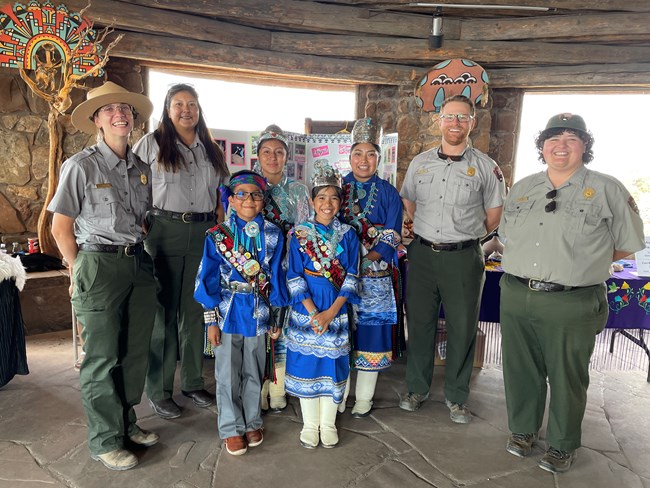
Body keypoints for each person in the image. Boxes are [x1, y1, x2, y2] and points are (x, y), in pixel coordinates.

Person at [498, 113, 644, 473]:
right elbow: (505, 234)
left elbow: (628, 244)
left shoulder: (607, 188)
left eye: (571, 139)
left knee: (566, 375)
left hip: (572, 300)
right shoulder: (523, 187)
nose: (560, 146)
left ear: (584, 146)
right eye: (553, 139)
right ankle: (522, 431)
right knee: (520, 369)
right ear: (542, 146)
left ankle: (562, 445)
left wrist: (585, 264)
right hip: (516, 293)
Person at [48, 81, 158, 470]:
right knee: (101, 356)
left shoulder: (142, 168)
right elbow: (61, 227)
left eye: (125, 109)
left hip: (137, 263)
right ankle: (104, 439)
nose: (120, 114)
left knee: (132, 354)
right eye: (109, 110)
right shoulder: (80, 166)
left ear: (133, 118)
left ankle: (126, 424)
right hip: (97, 264)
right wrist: (78, 268)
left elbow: (142, 220)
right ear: (97, 120)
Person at [399, 95, 506, 423]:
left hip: (463, 258)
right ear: (439, 121)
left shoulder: (487, 167)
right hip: (422, 256)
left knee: (462, 327)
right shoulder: (420, 163)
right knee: (419, 324)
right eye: (449, 117)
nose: (455, 123)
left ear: (472, 122)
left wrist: (463, 235)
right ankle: (417, 388)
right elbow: (410, 206)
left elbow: (494, 216)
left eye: (462, 117)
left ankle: (457, 396)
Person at [133, 84, 229, 419]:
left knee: (195, 310)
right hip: (164, 231)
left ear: (199, 110)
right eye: (178, 104)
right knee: (163, 313)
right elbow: (132, 187)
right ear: (167, 109)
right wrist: (143, 224)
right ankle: (159, 390)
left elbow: (221, 197)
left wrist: (217, 227)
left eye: (192, 104)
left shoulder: (211, 150)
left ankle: (191, 381)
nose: (186, 110)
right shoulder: (151, 143)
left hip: (202, 232)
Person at [194, 170, 288, 456]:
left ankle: (252, 422)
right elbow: (207, 278)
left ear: (263, 200)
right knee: (226, 373)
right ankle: (231, 428)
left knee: (253, 369)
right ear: (231, 201)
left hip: (259, 311)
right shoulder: (216, 236)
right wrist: (210, 321)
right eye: (242, 195)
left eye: (256, 194)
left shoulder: (273, 234)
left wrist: (276, 317)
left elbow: (278, 277)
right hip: (227, 310)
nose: (249, 199)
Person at [284, 161, 360, 448]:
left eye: (334, 197)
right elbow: (294, 275)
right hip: (307, 308)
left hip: (336, 307)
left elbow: (352, 275)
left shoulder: (349, 235)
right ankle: (310, 424)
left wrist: (331, 312)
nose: (327, 204)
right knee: (307, 365)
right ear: (313, 201)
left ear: (340, 202)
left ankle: (328, 424)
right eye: (321, 197)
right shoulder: (299, 235)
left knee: (333, 365)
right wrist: (315, 311)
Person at [340, 118, 403, 418]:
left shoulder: (389, 192)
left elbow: (392, 233)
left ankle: (363, 398)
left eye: (370, 154)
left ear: (379, 158)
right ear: (349, 157)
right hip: (338, 275)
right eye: (358, 154)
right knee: (340, 333)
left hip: (375, 277)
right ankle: (338, 395)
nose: (364, 160)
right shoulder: (337, 188)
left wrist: (370, 257)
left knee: (370, 333)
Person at [254, 124, 310, 412]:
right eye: (267, 152)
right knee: (258, 326)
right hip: (254, 268)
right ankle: (258, 388)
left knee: (283, 328)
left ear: (287, 157)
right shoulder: (248, 187)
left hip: (287, 268)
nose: (272, 157)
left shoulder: (299, 190)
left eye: (278, 152)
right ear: (258, 154)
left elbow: (305, 231)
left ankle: (279, 389)